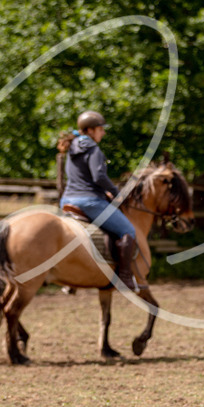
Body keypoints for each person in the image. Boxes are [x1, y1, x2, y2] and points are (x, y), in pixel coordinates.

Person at [58, 110, 139, 292]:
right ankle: (125, 277)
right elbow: (98, 176)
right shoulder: (93, 148)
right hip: (89, 201)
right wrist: (115, 192)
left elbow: (82, 177)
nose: (103, 133)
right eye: (101, 129)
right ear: (91, 130)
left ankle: (70, 280)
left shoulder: (72, 147)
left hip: (68, 199)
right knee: (128, 230)